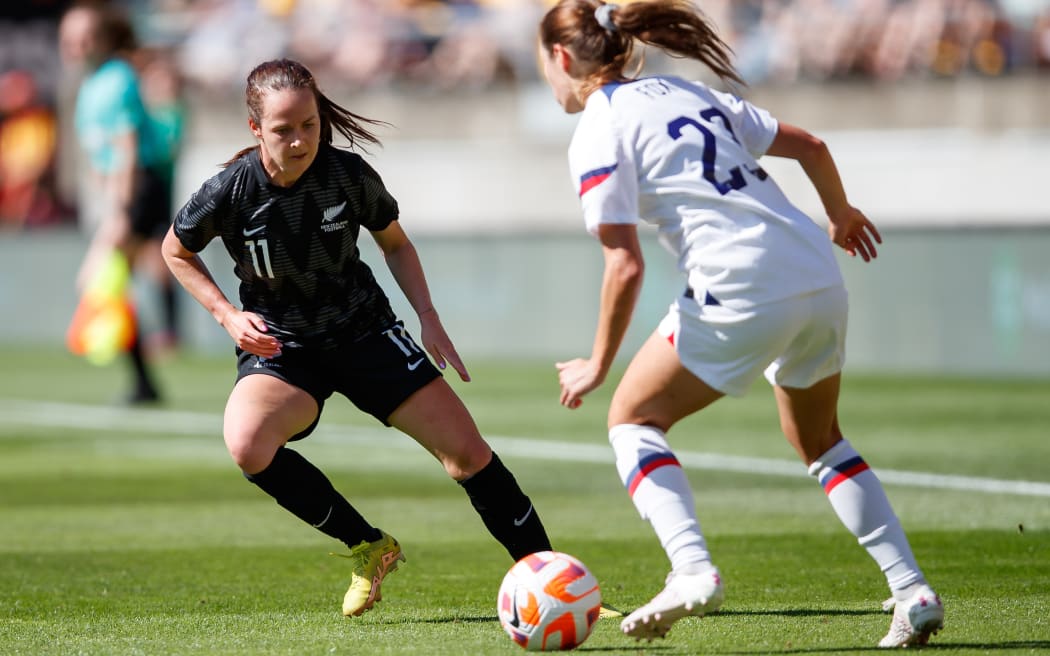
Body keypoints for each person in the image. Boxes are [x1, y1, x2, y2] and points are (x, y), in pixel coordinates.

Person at [537, 0, 943, 648]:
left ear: (560, 58)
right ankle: (911, 589)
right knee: (822, 442)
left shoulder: (598, 127)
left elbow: (624, 264)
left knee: (632, 422)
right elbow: (811, 145)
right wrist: (839, 214)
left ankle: (692, 571)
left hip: (739, 281)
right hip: (815, 272)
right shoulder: (681, 89)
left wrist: (597, 363)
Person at [160, 57, 572, 619]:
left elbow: (395, 244)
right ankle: (368, 545)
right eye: (284, 129)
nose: (301, 139)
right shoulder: (229, 192)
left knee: (468, 456)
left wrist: (427, 315)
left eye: (309, 124)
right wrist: (227, 316)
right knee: (248, 445)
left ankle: (554, 583)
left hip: (365, 332)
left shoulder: (347, 176)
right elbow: (175, 251)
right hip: (284, 347)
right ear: (255, 129)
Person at [58, 1, 170, 402]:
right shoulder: (90, 83)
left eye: (87, 36)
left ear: (105, 39)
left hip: (138, 191)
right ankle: (144, 382)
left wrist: (119, 213)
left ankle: (144, 378)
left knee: (99, 277)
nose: (78, 45)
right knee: (116, 283)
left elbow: (127, 150)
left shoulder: (116, 79)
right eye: (70, 38)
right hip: (120, 194)